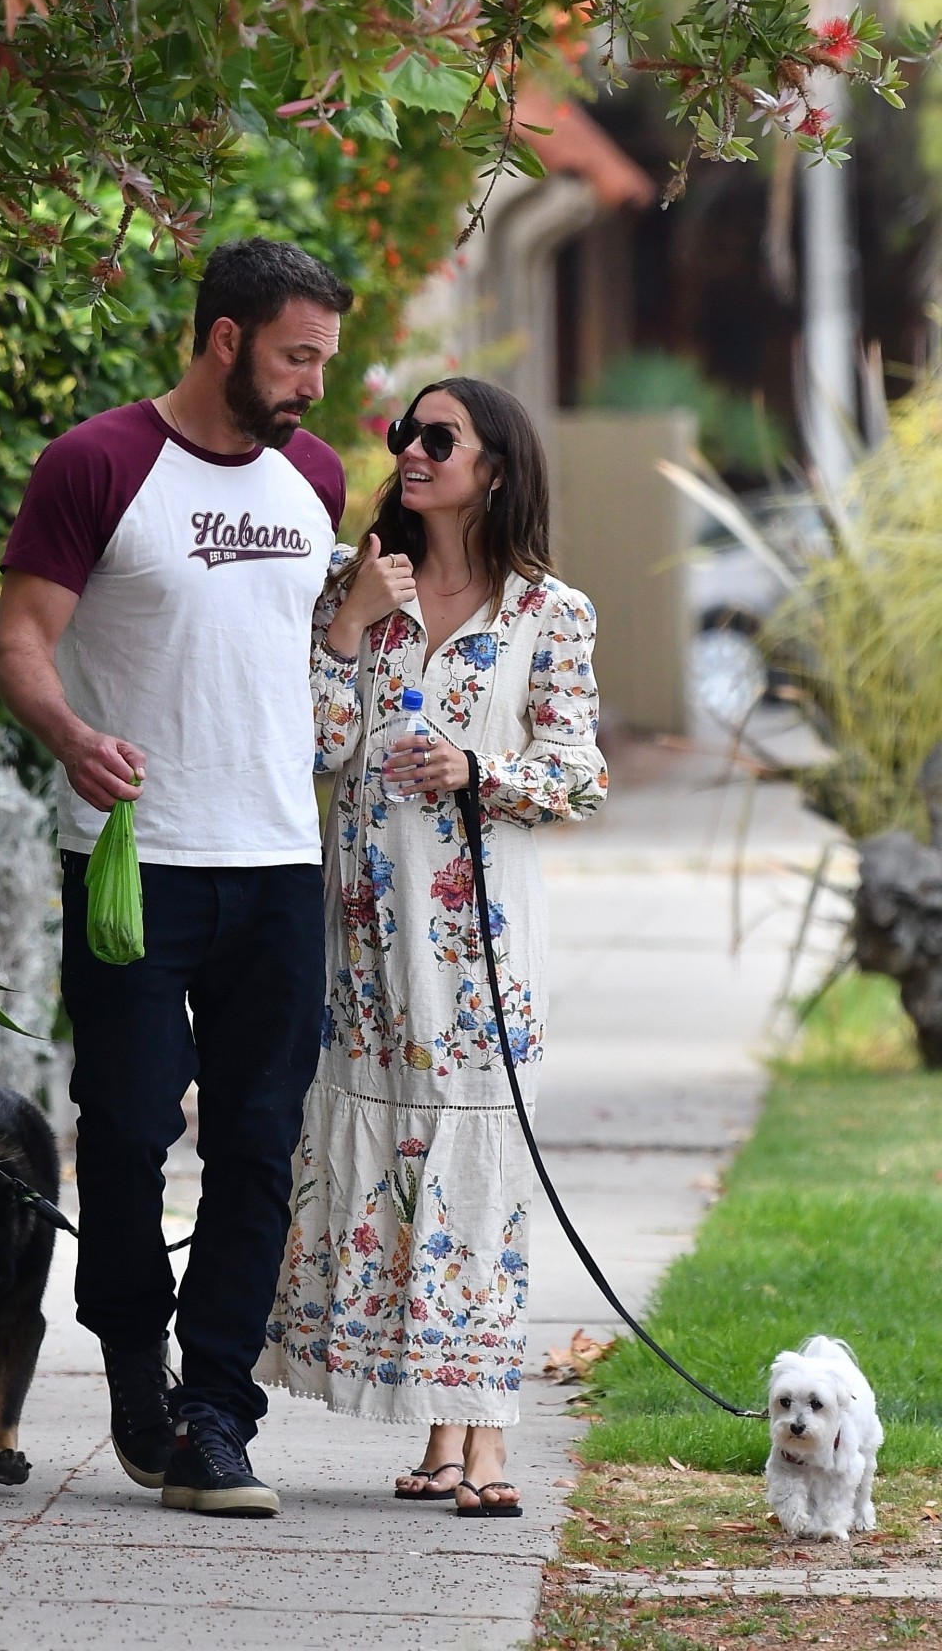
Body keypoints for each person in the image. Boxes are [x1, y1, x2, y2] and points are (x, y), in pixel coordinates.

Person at [0, 237, 353, 1517]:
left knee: (260, 1144)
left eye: (325, 357)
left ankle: (212, 1413)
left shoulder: (315, 476)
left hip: (277, 865)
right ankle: (137, 1374)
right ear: (223, 339)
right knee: (134, 1130)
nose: (314, 382)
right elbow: (22, 635)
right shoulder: (98, 464)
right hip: (135, 863)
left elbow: (300, 650)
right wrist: (72, 736)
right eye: (295, 355)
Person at [258, 377, 608, 1516]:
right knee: (393, 1152)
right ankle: (436, 1440)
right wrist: (352, 624)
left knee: (478, 1163)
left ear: (493, 465)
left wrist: (480, 772)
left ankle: (485, 1440)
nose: (410, 448)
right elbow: (314, 746)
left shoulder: (550, 613)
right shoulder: (359, 585)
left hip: (479, 931)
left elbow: (579, 775)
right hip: (363, 926)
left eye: (437, 436)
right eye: (402, 432)